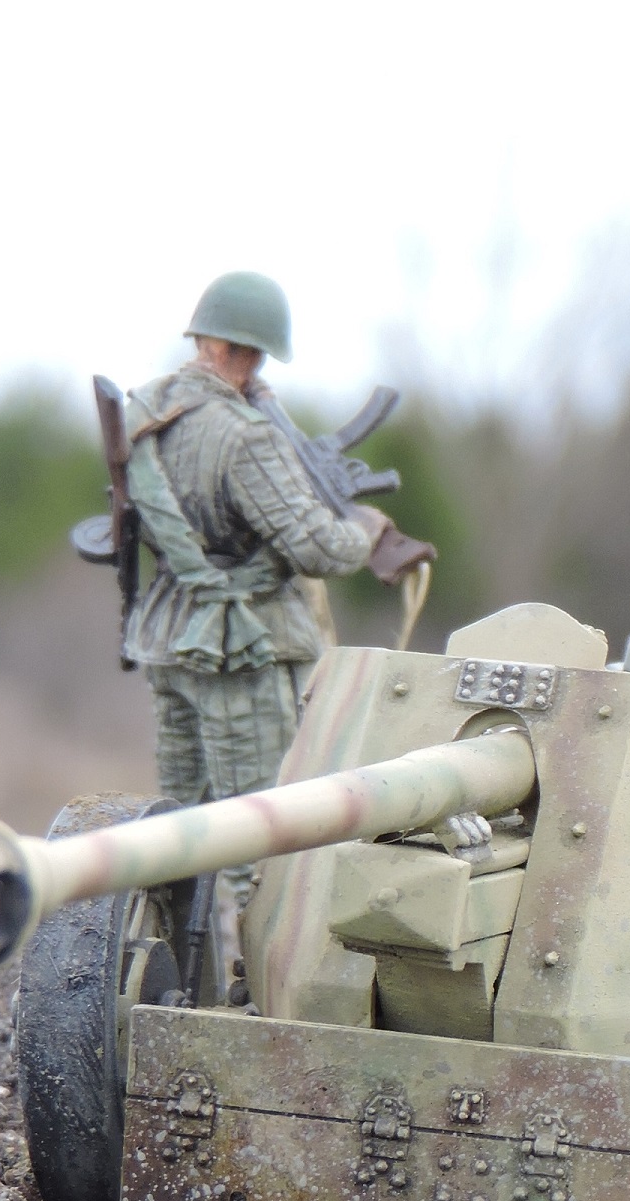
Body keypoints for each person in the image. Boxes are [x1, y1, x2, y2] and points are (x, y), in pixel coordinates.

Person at [121, 272, 427, 914]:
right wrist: (366, 531)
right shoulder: (245, 435)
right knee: (259, 844)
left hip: (168, 637)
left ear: (203, 337)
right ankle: (251, 970)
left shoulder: (147, 412)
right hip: (241, 649)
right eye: (256, 355)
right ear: (246, 351)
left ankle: (173, 959)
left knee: (176, 835)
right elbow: (316, 548)